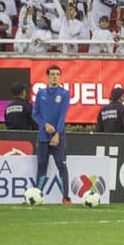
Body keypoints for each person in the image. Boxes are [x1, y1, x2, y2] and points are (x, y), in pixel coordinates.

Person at [32, 65, 71, 202]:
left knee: (61, 164)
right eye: (52, 74)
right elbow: (35, 113)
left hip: (58, 135)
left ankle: (66, 197)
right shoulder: (40, 93)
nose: (55, 76)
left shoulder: (64, 94)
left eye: (57, 74)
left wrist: (57, 134)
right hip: (43, 135)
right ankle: (37, 196)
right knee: (42, 165)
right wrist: (45, 124)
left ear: (60, 77)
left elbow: (62, 116)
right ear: (47, 76)